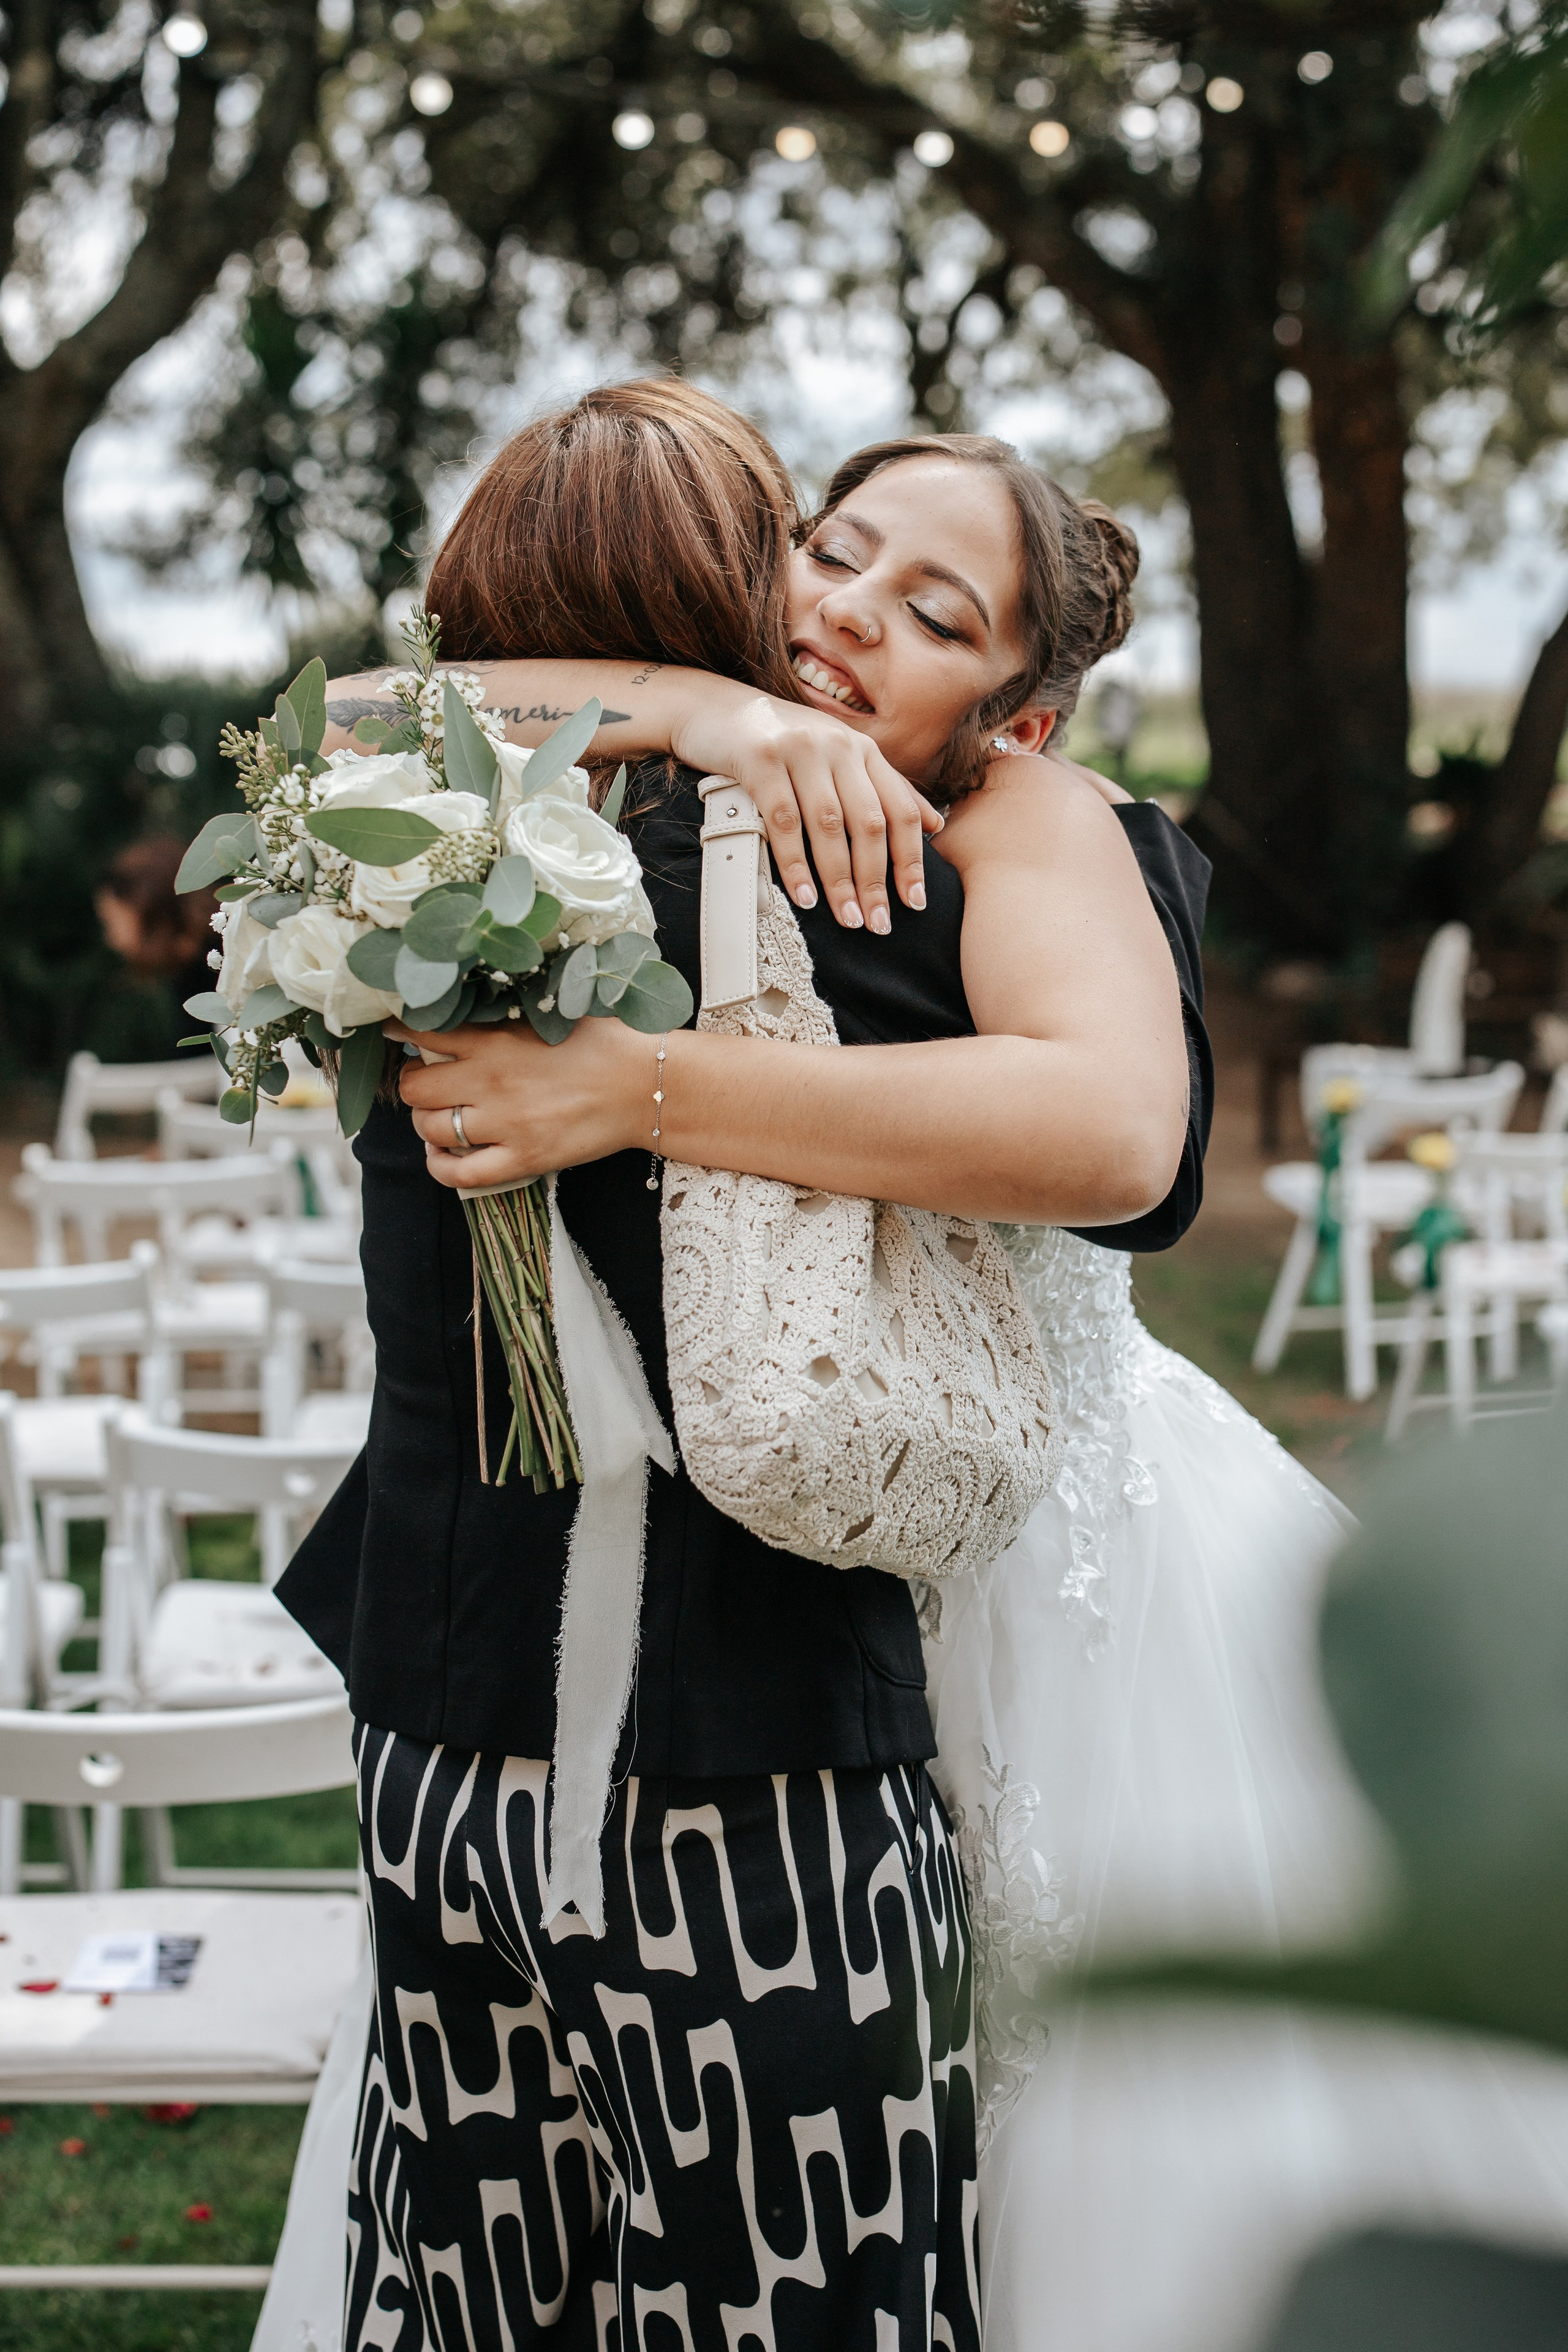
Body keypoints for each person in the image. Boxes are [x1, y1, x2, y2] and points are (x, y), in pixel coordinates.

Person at [264, 382, 1203, 2352]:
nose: (852, 609)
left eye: (936, 613)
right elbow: (328, 740)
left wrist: (640, 1087)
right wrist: (711, 712)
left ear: (1014, 719)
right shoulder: (528, 812)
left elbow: (1122, 1139)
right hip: (541, 1740)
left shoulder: (939, 865)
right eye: (833, 550)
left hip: (744, 1724)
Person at [94, 835, 217, 1059]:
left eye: (111, 923)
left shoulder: (215, 964)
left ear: (146, 907)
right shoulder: (188, 969)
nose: (112, 939)